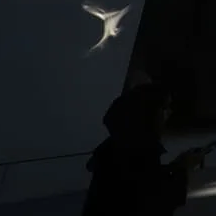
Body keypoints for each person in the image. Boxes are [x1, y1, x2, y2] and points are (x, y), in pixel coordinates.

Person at [82, 84, 208, 216]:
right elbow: (156, 203)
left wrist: (176, 166)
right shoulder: (140, 151)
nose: (170, 112)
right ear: (150, 113)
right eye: (165, 108)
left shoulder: (120, 144)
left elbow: (144, 182)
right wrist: (183, 169)